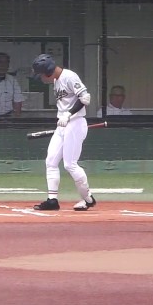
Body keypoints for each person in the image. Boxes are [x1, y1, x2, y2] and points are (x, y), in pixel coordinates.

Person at [28, 54, 96, 211]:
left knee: (70, 164)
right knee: (51, 161)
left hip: (75, 123)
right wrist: (64, 117)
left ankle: (88, 199)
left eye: (41, 74)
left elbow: (85, 98)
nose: (41, 78)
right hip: (62, 125)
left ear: (48, 71)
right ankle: (52, 200)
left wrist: (68, 114)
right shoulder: (56, 81)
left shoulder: (69, 76)